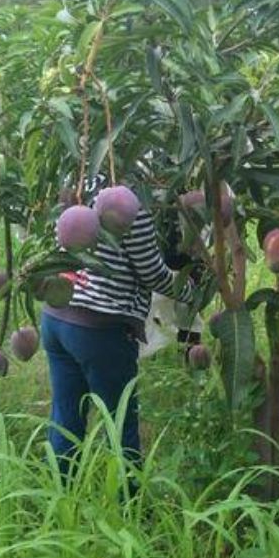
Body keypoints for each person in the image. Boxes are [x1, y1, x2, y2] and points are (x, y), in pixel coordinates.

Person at [42, 183, 198, 479]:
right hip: (100, 328)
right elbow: (150, 271)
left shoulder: (77, 181)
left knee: (65, 414)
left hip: (57, 314)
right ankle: (130, 507)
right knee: (120, 422)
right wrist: (189, 290)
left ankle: (59, 496)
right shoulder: (127, 201)